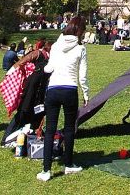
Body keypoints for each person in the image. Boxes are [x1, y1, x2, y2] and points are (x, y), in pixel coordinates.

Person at [36, 16, 89, 182]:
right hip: (70, 90)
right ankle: (68, 164)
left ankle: (46, 170)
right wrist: (86, 94)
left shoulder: (56, 46)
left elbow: (49, 68)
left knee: (50, 129)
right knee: (68, 129)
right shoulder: (81, 48)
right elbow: (83, 76)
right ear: (80, 31)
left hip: (53, 89)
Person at [0, 41, 51, 146]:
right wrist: (10, 72)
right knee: (23, 112)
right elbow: (23, 61)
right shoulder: (38, 53)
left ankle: (33, 134)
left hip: (40, 90)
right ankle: (6, 139)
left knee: (38, 112)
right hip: (32, 87)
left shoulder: (50, 58)